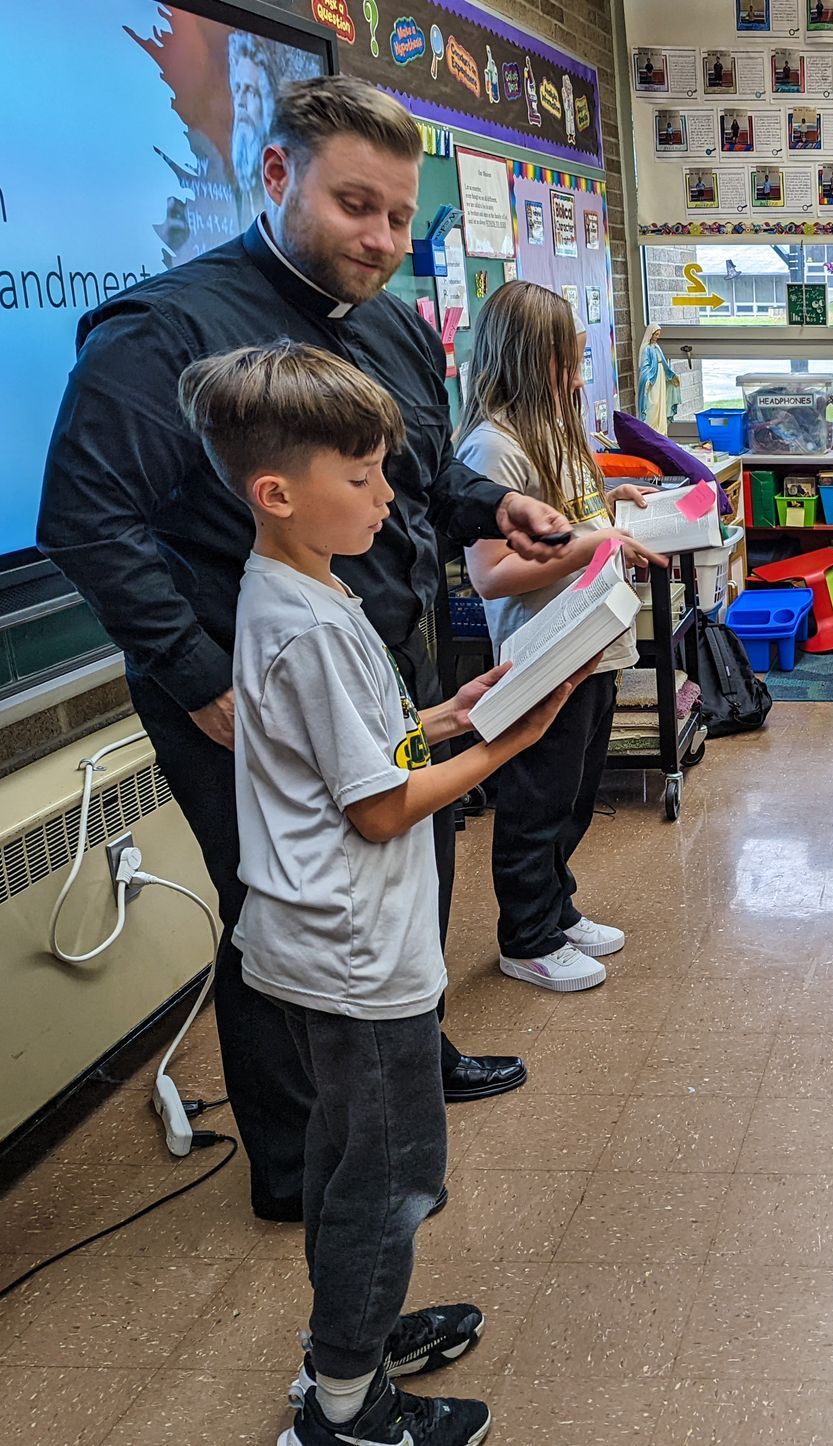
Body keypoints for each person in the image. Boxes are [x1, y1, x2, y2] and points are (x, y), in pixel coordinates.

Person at [37, 76, 574, 1221]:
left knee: (409, 871)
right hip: (249, 694)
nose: (380, 238)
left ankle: (409, 1060)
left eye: (398, 215)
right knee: (289, 919)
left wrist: (496, 508)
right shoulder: (164, 332)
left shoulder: (389, 323)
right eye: (354, 205)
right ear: (276, 175)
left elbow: (416, 476)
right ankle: (295, 1163)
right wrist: (197, 680)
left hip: (381, 662)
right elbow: (86, 520)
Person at [178, 342, 584, 1446]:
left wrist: (450, 715)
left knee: (347, 1158)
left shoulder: (305, 588)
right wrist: (506, 747)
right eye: (360, 479)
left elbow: (361, 749)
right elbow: (379, 808)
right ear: (276, 494)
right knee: (391, 1178)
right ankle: (350, 1408)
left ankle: (348, 1339)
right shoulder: (308, 623)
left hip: (324, 940)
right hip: (356, 954)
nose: (386, 498)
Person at [456, 283, 663, 991]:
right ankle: (527, 937)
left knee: (574, 795)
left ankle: (557, 908)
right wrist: (593, 542)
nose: (576, 378)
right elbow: (491, 574)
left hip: (595, 647)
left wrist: (609, 503)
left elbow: (566, 517)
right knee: (536, 801)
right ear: (522, 359)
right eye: (562, 362)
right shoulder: (492, 447)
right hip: (544, 656)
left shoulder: (555, 428)